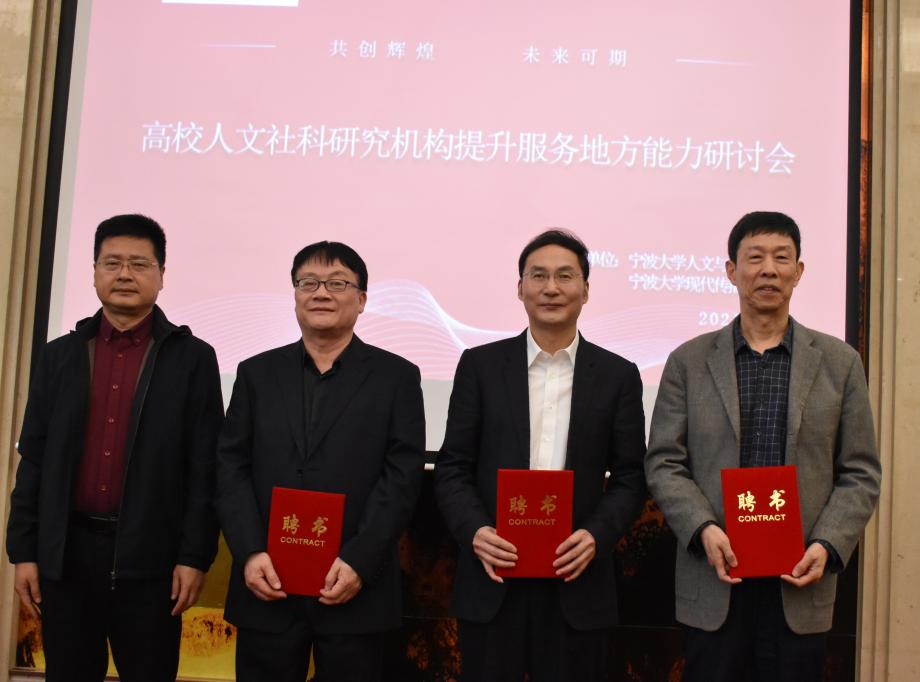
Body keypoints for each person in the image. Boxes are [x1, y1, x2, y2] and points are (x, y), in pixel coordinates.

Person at [644, 211, 881, 681]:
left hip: (799, 579)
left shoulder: (840, 363)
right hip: (714, 577)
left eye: (781, 258)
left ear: (799, 271)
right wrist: (703, 528)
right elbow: (665, 461)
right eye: (755, 258)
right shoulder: (689, 361)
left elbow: (861, 471)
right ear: (732, 271)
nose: (768, 269)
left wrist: (828, 544)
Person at [6, 214, 223, 682]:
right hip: (67, 557)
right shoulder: (59, 355)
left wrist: (194, 557)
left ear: (161, 275)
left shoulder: (193, 359)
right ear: (94, 273)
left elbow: (205, 469)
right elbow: (35, 459)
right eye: (112, 263)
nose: (125, 274)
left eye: (139, 264)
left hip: (153, 561)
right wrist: (24, 551)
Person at [434, 229, 647, 682]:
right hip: (494, 578)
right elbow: (452, 467)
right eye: (539, 276)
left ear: (585, 290)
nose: (551, 288)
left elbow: (631, 476)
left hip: (576, 580)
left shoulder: (618, 376)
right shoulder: (479, 366)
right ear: (520, 288)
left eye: (565, 276)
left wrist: (596, 536)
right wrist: (475, 531)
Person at [216, 241, 425, 682]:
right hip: (267, 582)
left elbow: (401, 478)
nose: (321, 293)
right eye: (308, 283)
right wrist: (249, 551)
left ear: (362, 299)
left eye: (337, 283)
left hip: (354, 587)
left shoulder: (397, 377)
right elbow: (230, 468)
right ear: (295, 294)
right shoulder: (256, 374)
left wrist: (360, 561)